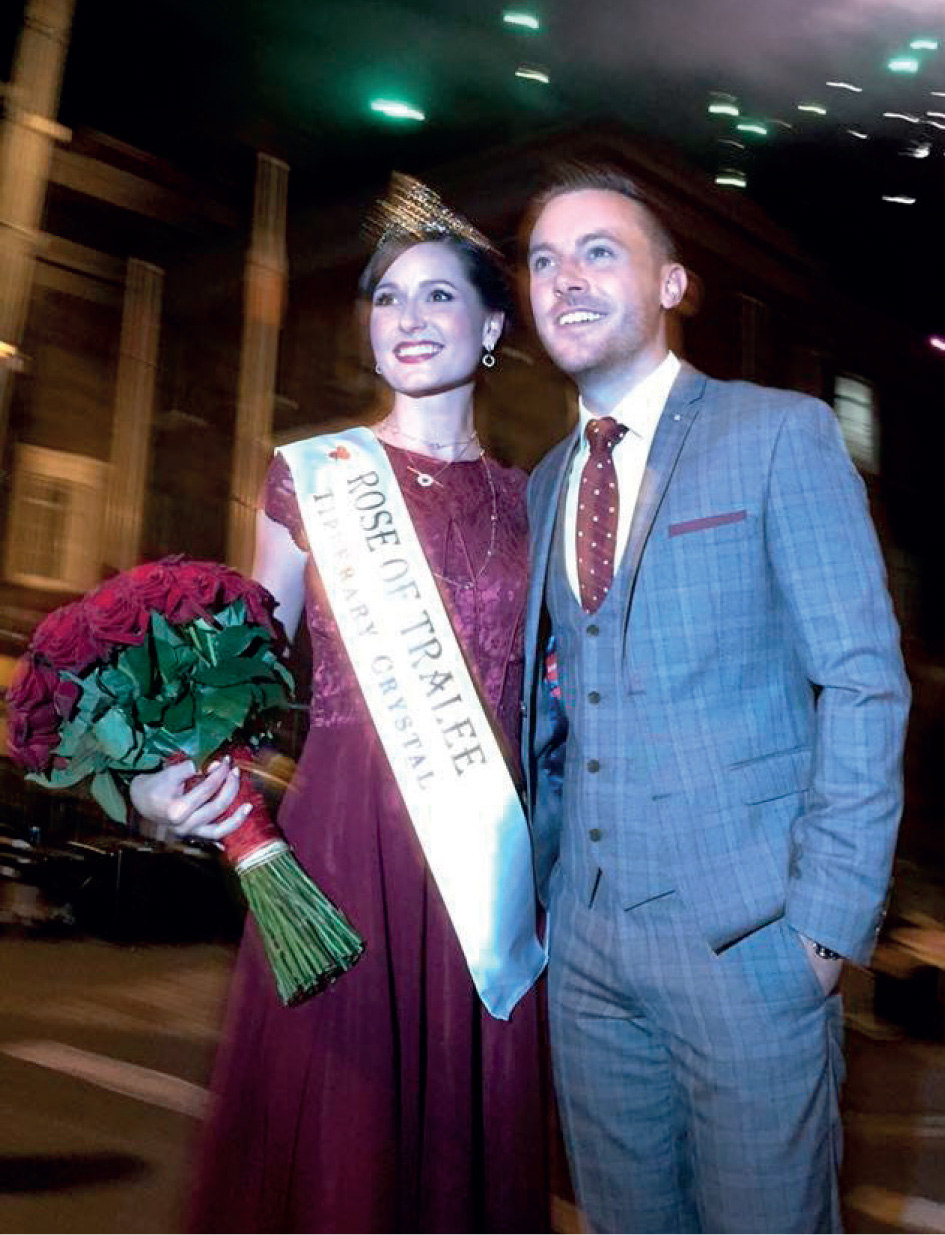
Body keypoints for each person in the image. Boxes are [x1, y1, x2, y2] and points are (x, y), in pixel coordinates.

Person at [131, 174, 549, 1234]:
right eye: (388, 299)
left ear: (491, 322)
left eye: (439, 296)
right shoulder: (311, 477)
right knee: (341, 1136)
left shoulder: (533, 501)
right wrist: (161, 775)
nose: (410, 319)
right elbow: (243, 668)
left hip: (485, 860)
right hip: (343, 841)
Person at [520, 164, 910, 1234]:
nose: (567, 277)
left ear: (673, 281)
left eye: (601, 250)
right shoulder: (546, 479)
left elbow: (865, 681)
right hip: (588, 951)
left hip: (752, 946)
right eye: (545, 259)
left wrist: (824, 928)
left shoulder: (776, 433)